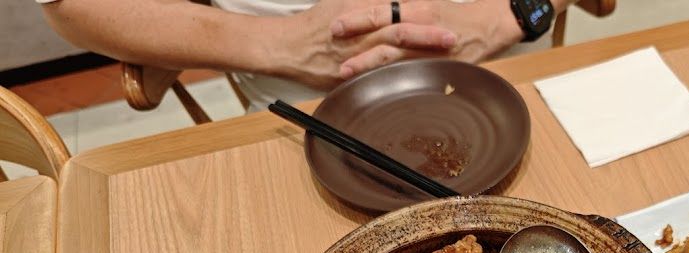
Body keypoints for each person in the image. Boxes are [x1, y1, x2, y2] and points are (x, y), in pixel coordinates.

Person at [38, 0, 576, 110]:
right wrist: (280, 44)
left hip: (511, 72)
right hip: (303, 111)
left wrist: (509, 16)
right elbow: (71, 7)